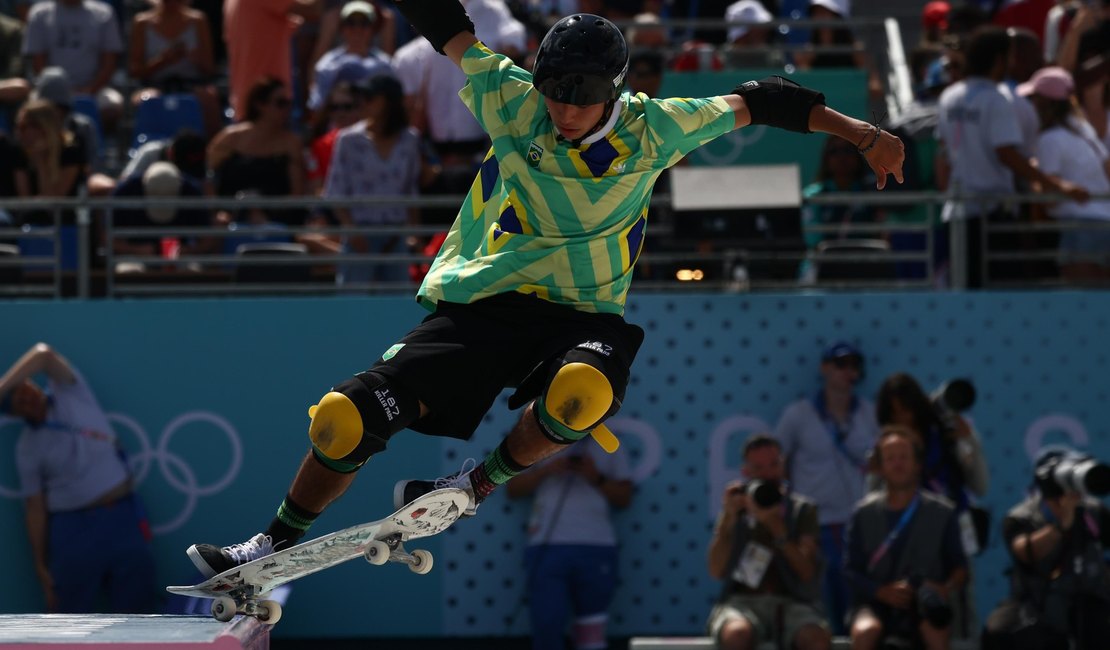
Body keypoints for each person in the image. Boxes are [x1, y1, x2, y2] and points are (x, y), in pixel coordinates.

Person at [183, 6, 905, 581]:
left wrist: (865, 134)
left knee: (582, 395)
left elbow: (766, 99)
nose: (562, 111)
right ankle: (268, 548)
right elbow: (446, 26)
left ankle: (478, 483)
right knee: (342, 419)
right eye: (554, 94)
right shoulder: (512, 97)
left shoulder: (657, 128)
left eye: (580, 100)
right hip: (486, 306)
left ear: (613, 92)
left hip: (584, 314)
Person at [0, 343, 157, 614]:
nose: (30, 399)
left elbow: (43, 355)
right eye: (20, 402)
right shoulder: (27, 448)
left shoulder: (71, 393)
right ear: (15, 415)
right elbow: (35, 510)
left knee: (140, 608)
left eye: (27, 389)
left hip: (121, 517)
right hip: (73, 530)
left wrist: (1, 388)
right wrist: (40, 565)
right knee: (69, 617)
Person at [935, 25, 1088, 288]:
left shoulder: (950, 96)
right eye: (1010, 56)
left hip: (957, 212)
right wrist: (1055, 184)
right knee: (999, 291)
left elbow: (942, 155)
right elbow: (1006, 153)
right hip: (992, 216)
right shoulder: (996, 99)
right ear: (998, 59)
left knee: (964, 290)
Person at [774, 341, 880, 636]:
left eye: (854, 366)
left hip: (858, 523)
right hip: (815, 524)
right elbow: (777, 460)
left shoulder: (869, 413)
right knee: (816, 601)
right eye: (840, 365)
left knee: (856, 600)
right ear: (824, 369)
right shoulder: (799, 414)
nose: (848, 372)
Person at [845, 427, 968, 650]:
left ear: (918, 464)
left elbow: (960, 568)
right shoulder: (862, 513)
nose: (898, 464)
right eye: (890, 458)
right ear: (880, 467)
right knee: (865, 632)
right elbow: (851, 570)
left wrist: (943, 589)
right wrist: (880, 591)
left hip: (925, 602)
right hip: (875, 602)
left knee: (936, 632)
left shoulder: (943, 512)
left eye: (904, 457)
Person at [505, 437, 634, 650]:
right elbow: (513, 489)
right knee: (547, 625)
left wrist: (595, 477)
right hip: (547, 546)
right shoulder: (538, 437)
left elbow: (625, 497)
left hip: (597, 545)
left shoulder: (609, 442)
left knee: (591, 633)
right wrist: (546, 470)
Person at [706, 434, 831, 650]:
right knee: (736, 635)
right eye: (758, 467)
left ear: (782, 466)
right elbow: (716, 570)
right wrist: (728, 520)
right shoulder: (737, 507)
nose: (767, 474)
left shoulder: (802, 510)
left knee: (815, 639)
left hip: (794, 601)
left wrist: (777, 528)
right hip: (743, 602)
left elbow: (807, 572)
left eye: (773, 465)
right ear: (746, 471)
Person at [981, 447, 1110, 650]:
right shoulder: (1020, 517)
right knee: (999, 632)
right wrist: (1061, 526)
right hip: (1036, 600)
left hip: (1089, 599)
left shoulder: (1094, 512)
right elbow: (1025, 553)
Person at [323, 73, 433, 286]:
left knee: (396, 303)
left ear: (388, 102)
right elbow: (335, 189)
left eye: (370, 96)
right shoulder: (347, 139)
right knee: (353, 305)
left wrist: (413, 235)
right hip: (358, 235)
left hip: (396, 237)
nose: (362, 102)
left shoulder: (410, 139)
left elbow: (410, 191)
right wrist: (352, 232)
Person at [1019, 65, 1110, 284]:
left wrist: (1033, 177)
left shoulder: (1050, 139)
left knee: (1083, 302)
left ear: (1045, 103)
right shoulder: (1085, 132)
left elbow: (1049, 200)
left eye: (1034, 98)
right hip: (1105, 224)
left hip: (1080, 228)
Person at [21, 0, 125, 130]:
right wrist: (60, 92)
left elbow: (109, 64)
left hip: (94, 89)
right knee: (30, 112)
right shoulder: (39, 13)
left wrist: (88, 91)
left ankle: (101, 146)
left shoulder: (104, 13)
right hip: (49, 90)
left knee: (112, 107)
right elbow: (38, 64)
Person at [127, 0, 221, 137]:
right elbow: (135, 70)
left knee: (209, 99)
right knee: (146, 100)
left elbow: (209, 68)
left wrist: (192, 57)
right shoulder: (141, 22)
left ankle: (212, 151)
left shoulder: (199, 20)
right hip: (154, 85)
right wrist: (163, 61)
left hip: (192, 84)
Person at [307, 0, 393, 112]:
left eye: (364, 23)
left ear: (373, 29)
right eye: (351, 23)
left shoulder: (385, 64)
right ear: (342, 28)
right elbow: (316, 106)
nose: (357, 29)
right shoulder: (327, 64)